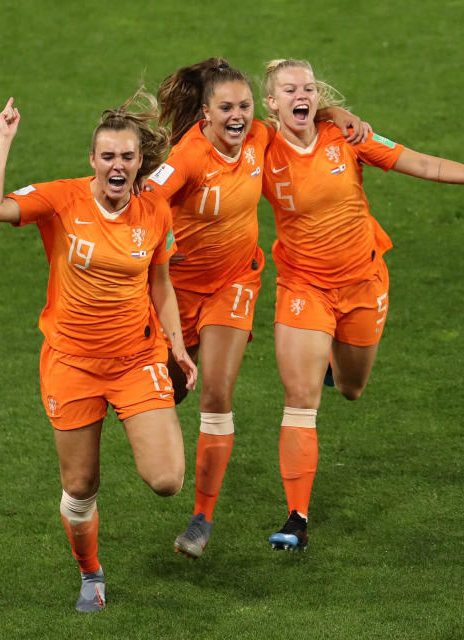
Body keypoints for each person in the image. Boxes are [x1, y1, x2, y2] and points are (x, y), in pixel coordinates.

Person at [260, 58, 464, 552]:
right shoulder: (261, 147)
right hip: (303, 288)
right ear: (272, 103)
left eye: (311, 88)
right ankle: (296, 518)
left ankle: (331, 365)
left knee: (352, 388)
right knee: (300, 401)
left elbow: (419, 162)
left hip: (363, 281)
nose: (303, 95)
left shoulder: (349, 137)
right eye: (290, 89)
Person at [0, 89, 198, 612]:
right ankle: (90, 573)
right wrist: (4, 139)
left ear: (139, 161)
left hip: (136, 359)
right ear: (92, 161)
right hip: (72, 364)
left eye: (126, 157)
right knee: (80, 485)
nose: (116, 166)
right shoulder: (62, 200)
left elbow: (161, 284)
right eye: (107, 157)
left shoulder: (154, 209)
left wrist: (178, 346)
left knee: (167, 480)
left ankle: (139, 416)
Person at [148, 57, 369, 559]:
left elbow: (304, 114)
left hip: (234, 282)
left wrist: (337, 112)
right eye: (226, 107)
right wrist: (157, 242)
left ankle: (201, 518)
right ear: (204, 113)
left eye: (245, 106)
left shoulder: (260, 138)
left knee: (215, 393)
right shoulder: (187, 156)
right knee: (173, 391)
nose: (238, 116)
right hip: (178, 290)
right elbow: (148, 199)